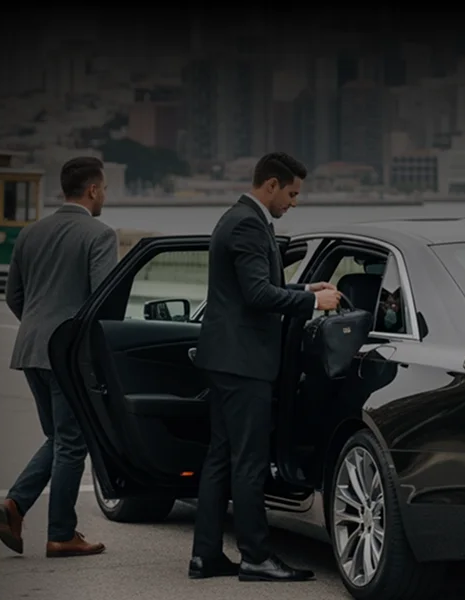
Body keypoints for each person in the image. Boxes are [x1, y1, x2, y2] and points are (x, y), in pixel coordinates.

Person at [189, 152, 341, 582]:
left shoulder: (237, 220)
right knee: (249, 461)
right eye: (292, 193)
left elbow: (251, 289)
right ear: (270, 186)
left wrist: (305, 287)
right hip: (243, 363)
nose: (294, 202)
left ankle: (205, 556)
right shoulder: (248, 225)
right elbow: (257, 295)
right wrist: (314, 302)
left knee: (220, 457)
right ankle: (256, 556)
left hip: (226, 359)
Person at [0, 157, 117, 559]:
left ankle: (15, 504)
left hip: (30, 349)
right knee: (72, 443)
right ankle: (61, 533)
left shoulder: (30, 232)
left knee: (59, 438)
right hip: (66, 356)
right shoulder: (99, 234)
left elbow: (14, 295)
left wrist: (38, 328)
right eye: (105, 188)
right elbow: (103, 301)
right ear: (93, 190)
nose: (106, 196)